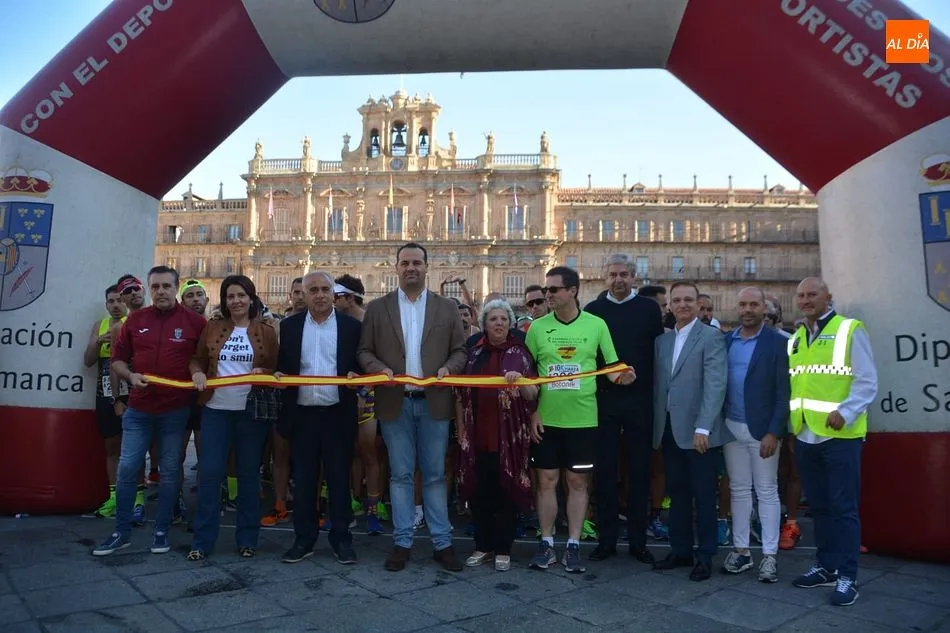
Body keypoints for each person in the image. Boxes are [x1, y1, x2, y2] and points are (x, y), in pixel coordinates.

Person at [357, 242, 468, 572]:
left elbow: (460, 351)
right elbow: (364, 351)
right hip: (396, 404)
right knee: (401, 475)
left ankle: (442, 542)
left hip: (434, 402)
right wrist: (378, 368)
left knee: (434, 475)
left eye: (417, 262)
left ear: (426, 267)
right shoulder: (377, 309)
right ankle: (402, 541)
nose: (411, 268)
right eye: (405, 262)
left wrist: (450, 368)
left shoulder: (447, 308)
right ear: (396, 268)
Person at [526, 266, 635, 574]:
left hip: (584, 420)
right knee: (546, 482)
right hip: (546, 420)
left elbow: (612, 367)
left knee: (577, 482)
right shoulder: (537, 328)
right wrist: (533, 411)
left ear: (572, 291)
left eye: (554, 290)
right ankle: (546, 543)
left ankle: (573, 545)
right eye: (546, 290)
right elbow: (528, 375)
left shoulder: (596, 325)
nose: (548, 295)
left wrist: (623, 377)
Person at [93, 266, 206, 556]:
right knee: (128, 469)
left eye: (166, 286)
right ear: (149, 289)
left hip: (175, 410)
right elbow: (117, 360)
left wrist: (196, 372)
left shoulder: (195, 322)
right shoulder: (136, 320)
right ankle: (121, 531)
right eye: (155, 286)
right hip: (139, 409)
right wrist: (130, 378)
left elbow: (202, 358)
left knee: (169, 471)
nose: (161, 292)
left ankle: (161, 531)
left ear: (175, 288)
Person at [789, 277, 877, 607]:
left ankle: (848, 576)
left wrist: (848, 410)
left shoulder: (849, 329)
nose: (806, 299)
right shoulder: (797, 337)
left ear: (829, 297)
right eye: (801, 295)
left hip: (840, 436)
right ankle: (825, 566)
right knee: (820, 507)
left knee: (844, 509)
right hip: (806, 434)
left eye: (813, 294)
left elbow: (867, 380)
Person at [187, 276, 278, 560]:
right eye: (230, 296)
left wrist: (266, 373)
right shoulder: (212, 327)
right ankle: (202, 541)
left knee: (249, 476)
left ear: (251, 298)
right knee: (210, 474)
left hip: (250, 414)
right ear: (224, 301)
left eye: (241, 295)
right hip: (215, 411)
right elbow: (197, 358)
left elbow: (276, 366)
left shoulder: (266, 331)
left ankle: (247, 539)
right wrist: (197, 373)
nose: (236, 301)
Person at [278, 271, 363, 565]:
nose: (319, 295)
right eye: (312, 289)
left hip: (337, 414)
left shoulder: (352, 327)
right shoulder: (289, 327)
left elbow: (360, 365)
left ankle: (342, 540)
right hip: (302, 416)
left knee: (339, 481)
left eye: (325, 289)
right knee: (303, 482)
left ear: (334, 292)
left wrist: (357, 375)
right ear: (302, 293)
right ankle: (304, 539)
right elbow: (283, 365)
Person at [585, 255, 663, 565]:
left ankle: (638, 541)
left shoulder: (648, 309)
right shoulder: (593, 311)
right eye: (613, 274)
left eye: (624, 274)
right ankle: (606, 540)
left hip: (639, 400)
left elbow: (655, 354)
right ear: (604, 278)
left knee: (639, 471)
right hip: (603, 400)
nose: (618, 279)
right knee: (604, 471)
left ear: (634, 278)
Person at [652, 281, 727, 582]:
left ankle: (705, 554)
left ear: (698, 305)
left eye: (688, 300)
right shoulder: (663, 342)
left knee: (704, 495)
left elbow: (715, 385)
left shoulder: (711, 337)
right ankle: (680, 550)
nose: (683, 305)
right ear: (669, 305)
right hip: (669, 429)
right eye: (677, 300)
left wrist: (704, 427)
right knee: (678, 494)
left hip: (699, 432)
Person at [456, 300, 537, 572]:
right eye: (493, 319)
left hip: (509, 434)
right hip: (477, 431)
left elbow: (534, 394)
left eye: (504, 318)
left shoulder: (521, 353)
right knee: (480, 491)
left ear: (511, 323)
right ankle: (482, 546)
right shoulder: (474, 353)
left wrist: (522, 381)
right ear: (484, 324)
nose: (499, 323)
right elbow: (461, 393)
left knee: (505, 490)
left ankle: (503, 548)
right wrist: (461, 428)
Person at [720, 287, 789, 583]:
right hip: (731, 427)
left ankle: (770, 556)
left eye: (754, 304)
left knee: (767, 491)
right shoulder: (725, 341)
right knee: (738, 489)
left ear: (765, 309)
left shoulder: (777, 343)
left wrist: (774, 431)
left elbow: (783, 392)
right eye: (743, 304)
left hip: (764, 432)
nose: (747, 309)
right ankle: (742, 551)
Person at [83, 284, 128, 518]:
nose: (116, 305)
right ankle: (113, 497)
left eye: (120, 300)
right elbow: (88, 361)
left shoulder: (135, 324)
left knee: (133, 448)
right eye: (111, 301)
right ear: (106, 304)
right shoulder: (99, 326)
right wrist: (99, 341)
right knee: (111, 448)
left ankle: (134, 497)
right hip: (105, 394)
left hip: (130, 394)